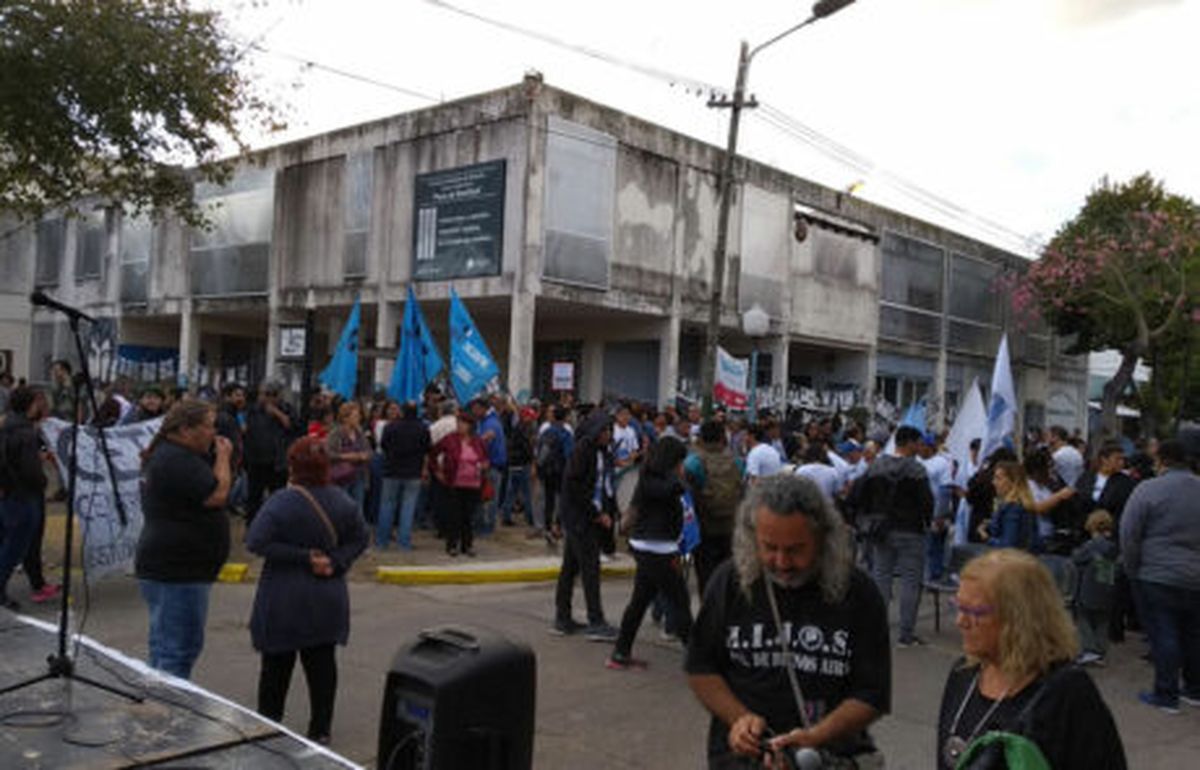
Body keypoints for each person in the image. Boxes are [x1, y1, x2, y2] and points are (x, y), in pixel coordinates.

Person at [686, 475, 890, 769]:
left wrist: (817, 736)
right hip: (740, 761)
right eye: (769, 547)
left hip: (827, 759)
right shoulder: (729, 582)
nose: (781, 563)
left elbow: (872, 693)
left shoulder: (859, 593)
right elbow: (701, 667)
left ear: (823, 538)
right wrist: (739, 718)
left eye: (795, 549)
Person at [937, 549, 1126, 770]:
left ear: (1019, 618)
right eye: (958, 606)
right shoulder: (963, 673)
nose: (960, 621)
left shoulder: (1069, 693)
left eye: (975, 612)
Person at [246, 436, 367, 745]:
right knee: (322, 667)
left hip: (284, 599)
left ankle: (269, 729)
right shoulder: (342, 500)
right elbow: (361, 538)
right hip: (327, 597)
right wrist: (335, 561)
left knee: (276, 668)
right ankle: (320, 730)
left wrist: (300, 557)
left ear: (293, 466)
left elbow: (256, 541)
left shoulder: (281, 502)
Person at [135, 400, 233, 679]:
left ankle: (157, 703)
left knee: (165, 646)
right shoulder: (176, 459)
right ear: (186, 429)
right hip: (178, 570)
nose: (214, 433)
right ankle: (168, 711)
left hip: (177, 567)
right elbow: (217, 495)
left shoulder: (175, 455)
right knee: (177, 650)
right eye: (209, 426)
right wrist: (223, 457)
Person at [1119, 439, 1200, 713]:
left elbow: (1129, 533)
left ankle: (1166, 693)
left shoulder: (1148, 489)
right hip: (1195, 576)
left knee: (1164, 633)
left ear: (1161, 461)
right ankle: (1194, 688)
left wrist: (1133, 568)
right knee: (1193, 634)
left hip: (1156, 573)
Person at [607, 437, 692, 670]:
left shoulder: (652, 475)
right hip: (657, 550)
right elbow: (670, 490)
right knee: (679, 602)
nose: (682, 466)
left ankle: (621, 653)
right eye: (680, 461)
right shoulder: (653, 478)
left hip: (651, 547)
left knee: (640, 601)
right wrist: (681, 477)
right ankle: (698, 659)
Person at [856, 425, 934, 647]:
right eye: (918, 442)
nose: (920, 447)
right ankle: (906, 634)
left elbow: (863, 495)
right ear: (909, 443)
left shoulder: (877, 465)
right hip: (910, 530)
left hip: (880, 530)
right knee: (911, 581)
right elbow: (926, 502)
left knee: (881, 577)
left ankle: (877, 627)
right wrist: (927, 522)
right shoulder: (917, 470)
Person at [551, 413, 619, 642]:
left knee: (570, 568)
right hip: (582, 518)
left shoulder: (603, 453)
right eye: (605, 430)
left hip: (589, 517)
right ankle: (595, 620)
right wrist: (596, 514)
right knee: (590, 569)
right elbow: (574, 487)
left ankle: (562, 617)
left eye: (610, 430)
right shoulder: (584, 451)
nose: (608, 434)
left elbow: (606, 485)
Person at [0, 387, 50, 610]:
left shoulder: (5, 425)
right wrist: (42, 482)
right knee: (14, 548)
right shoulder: (25, 432)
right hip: (22, 496)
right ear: (30, 405)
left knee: (6, 543)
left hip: (7, 493)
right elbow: (31, 472)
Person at [686, 419, 743, 595]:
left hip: (704, 528)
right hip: (729, 527)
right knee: (726, 575)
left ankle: (709, 612)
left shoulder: (693, 462)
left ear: (701, 438)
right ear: (723, 438)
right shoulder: (738, 462)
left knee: (706, 575)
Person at [430, 411, 488, 557]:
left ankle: (467, 545)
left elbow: (485, 458)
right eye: (458, 423)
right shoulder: (450, 439)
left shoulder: (477, 441)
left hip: (473, 483)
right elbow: (433, 453)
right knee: (454, 515)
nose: (459, 426)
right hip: (454, 482)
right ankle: (452, 544)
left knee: (468, 516)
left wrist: (484, 465)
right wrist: (438, 471)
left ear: (470, 426)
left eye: (462, 423)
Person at [378, 402, 429, 550]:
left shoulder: (391, 427)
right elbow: (427, 448)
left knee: (387, 505)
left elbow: (383, 445)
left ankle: (382, 541)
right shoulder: (422, 428)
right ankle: (404, 542)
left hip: (391, 470)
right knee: (408, 507)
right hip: (413, 472)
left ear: (402, 412)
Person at [1072, 510, 1119, 666]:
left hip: (1088, 586)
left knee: (1083, 618)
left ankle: (1089, 649)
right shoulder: (1113, 546)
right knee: (1103, 620)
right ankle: (1100, 651)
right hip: (1106, 586)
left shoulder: (1091, 545)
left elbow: (1077, 558)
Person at [243, 382, 295, 523]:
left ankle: (276, 526)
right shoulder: (253, 410)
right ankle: (251, 527)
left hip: (277, 462)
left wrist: (278, 414)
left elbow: (292, 427)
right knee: (254, 497)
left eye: (269, 395)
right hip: (256, 460)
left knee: (277, 497)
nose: (264, 398)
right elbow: (248, 432)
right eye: (262, 394)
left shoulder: (287, 409)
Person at [980, 461, 1038, 550]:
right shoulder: (1024, 504)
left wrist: (986, 538)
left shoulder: (1012, 508)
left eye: (998, 478)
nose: (993, 482)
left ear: (1013, 482)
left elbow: (1008, 546)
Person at [535, 406, 573, 543]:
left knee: (549, 500)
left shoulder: (546, 432)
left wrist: (539, 469)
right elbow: (569, 455)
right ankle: (557, 526)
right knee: (563, 500)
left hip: (547, 471)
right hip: (561, 472)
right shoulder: (565, 434)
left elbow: (539, 452)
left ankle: (547, 527)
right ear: (565, 418)